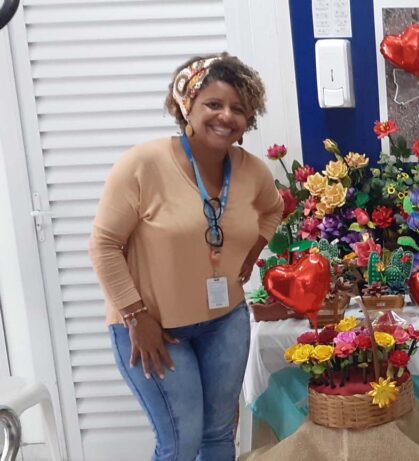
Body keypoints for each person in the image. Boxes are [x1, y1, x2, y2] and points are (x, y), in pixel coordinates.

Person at [89, 54, 283, 460]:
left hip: (225, 322)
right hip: (154, 328)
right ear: (186, 107)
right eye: (213, 104)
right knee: (180, 443)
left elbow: (273, 209)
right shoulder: (142, 165)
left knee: (217, 437)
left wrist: (254, 250)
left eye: (238, 108)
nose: (226, 116)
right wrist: (134, 315)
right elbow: (104, 245)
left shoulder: (252, 172)